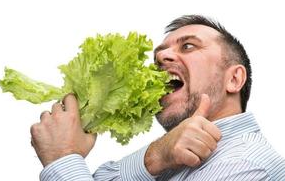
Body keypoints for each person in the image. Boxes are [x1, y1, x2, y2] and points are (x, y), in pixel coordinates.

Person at [30, 15, 285, 180]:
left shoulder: (245, 165)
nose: (162, 58)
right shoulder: (169, 156)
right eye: (158, 56)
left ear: (234, 79)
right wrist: (155, 157)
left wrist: (62, 157)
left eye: (188, 46)